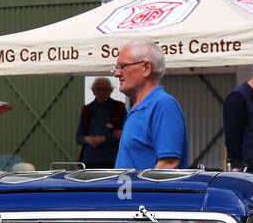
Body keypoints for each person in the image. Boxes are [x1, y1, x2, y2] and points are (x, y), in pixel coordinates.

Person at [113, 41, 188, 170]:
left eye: (122, 66)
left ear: (146, 68)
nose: (116, 73)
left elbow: (168, 165)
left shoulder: (163, 105)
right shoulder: (137, 109)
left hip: (144, 191)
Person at [75, 77, 126, 167]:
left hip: (113, 158)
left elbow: (125, 134)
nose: (102, 92)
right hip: (90, 159)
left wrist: (105, 138)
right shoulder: (87, 109)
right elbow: (79, 137)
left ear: (110, 91)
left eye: (105, 89)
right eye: (98, 89)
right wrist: (88, 140)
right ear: (93, 91)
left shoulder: (119, 107)